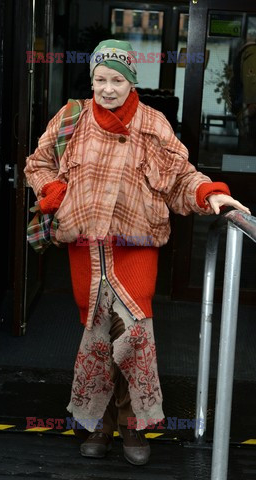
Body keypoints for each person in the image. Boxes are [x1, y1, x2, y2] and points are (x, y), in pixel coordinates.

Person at [24, 39, 250, 466]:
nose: (107, 88)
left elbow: (180, 176)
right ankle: (99, 425)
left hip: (136, 247)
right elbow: (38, 163)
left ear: (131, 80)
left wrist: (209, 193)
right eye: (100, 79)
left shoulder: (152, 123)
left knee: (133, 331)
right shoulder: (71, 118)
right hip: (86, 248)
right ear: (91, 80)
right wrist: (53, 189)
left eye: (116, 80)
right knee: (97, 332)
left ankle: (131, 427)